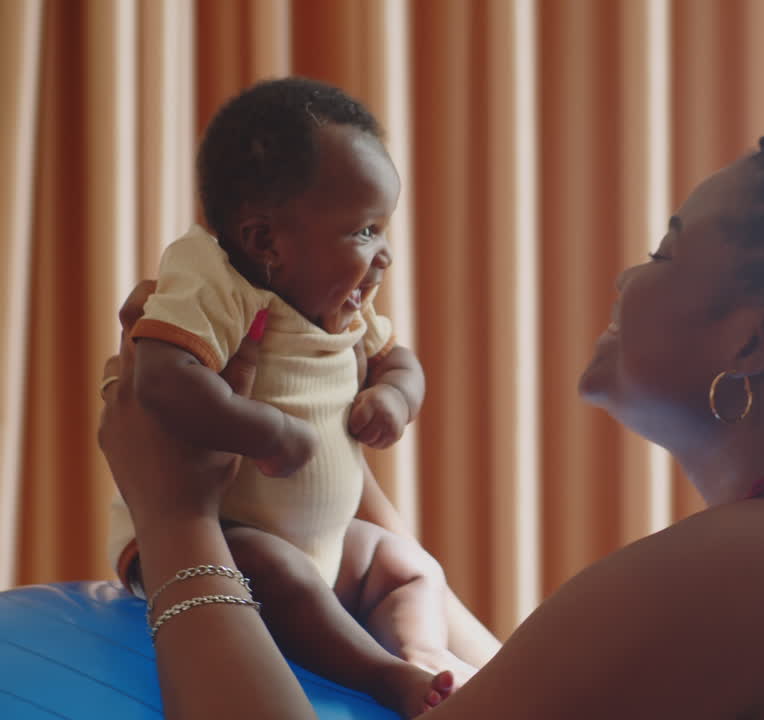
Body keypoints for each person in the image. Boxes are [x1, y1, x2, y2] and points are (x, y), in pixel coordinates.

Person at [99, 116, 764, 719]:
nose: (625, 276)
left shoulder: (761, 566)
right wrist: (302, 371)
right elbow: (506, 683)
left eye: (665, 252)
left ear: (754, 340)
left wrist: (177, 516)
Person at [105, 78, 497, 718]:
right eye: (366, 230)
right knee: (283, 577)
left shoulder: (342, 308)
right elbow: (160, 376)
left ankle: (426, 655)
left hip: (329, 544)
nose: (386, 256)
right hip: (232, 542)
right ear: (265, 242)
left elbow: (397, 360)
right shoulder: (214, 280)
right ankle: (384, 676)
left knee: (407, 564)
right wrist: (265, 431)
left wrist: (396, 397)